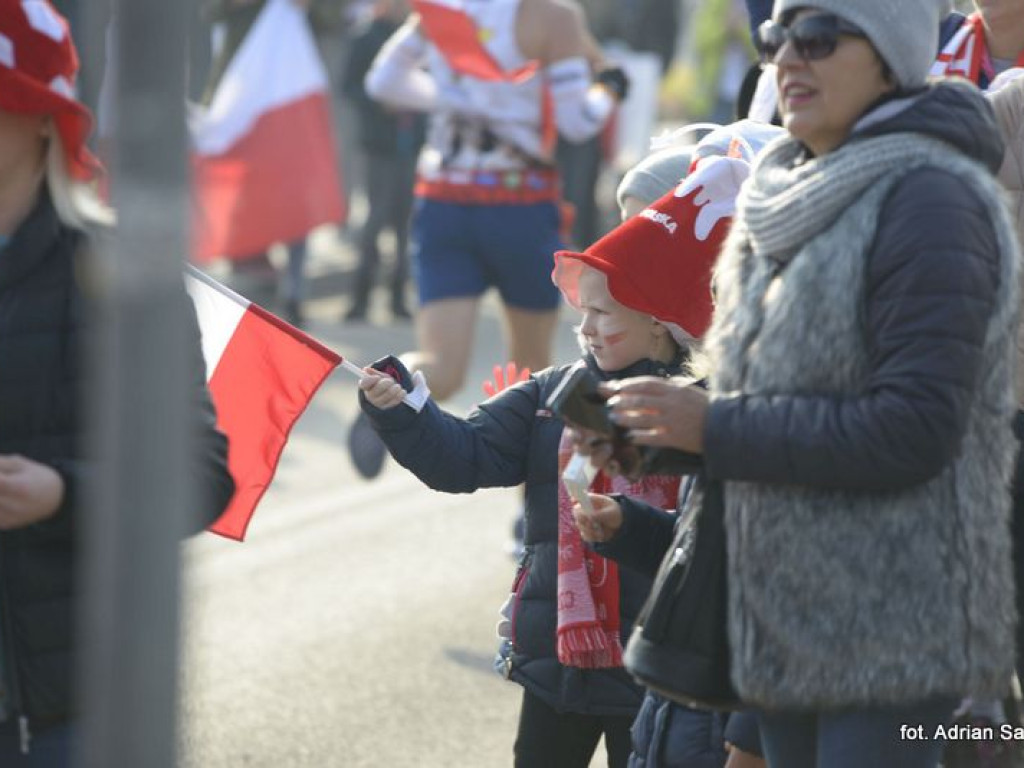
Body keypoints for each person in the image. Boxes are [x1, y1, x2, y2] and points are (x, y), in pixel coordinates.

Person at [573, 1, 1021, 766]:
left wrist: (710, 426)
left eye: (817, 37)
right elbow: (781, 398)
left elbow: (914, 430)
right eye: (778, 37)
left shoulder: (933, 199)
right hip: (781, 603)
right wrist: (655, 432)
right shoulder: (781, 183)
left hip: (893, 616)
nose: (786, 59)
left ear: (891, 57)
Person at [354, 178, 726, 767]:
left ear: (658, 320)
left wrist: (627, 523)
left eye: (604, 312)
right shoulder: (554, 393)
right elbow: (464, 457)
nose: (587, 327)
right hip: (560, 659)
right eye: (584, 311)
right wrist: (403, 413)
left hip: (655, 667)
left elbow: (710, 538)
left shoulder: (704, 409)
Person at [0, 2, 235, 763]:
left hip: (71, 711)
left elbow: (200, 477)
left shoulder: (125, 278)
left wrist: (64, 492)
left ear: (44, 121)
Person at [352, 0, 627, 455]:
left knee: (440, 367)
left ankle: (382, 394)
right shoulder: (554, 16)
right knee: (532, 372)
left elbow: (383, 81)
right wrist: (611, 88)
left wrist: (455, 98)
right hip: (520, 205)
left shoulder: (441, 9)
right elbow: (578, 122)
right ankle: (531, 498)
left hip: (443, 199)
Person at [340, 0, 425, 322]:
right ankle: (360, 297)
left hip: (411, 143)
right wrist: (380, 102)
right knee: (375, 219)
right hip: (379, 144)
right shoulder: (366, 36)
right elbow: (350, 86)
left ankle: (398, 296)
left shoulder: (419, 37)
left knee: (405, 223)